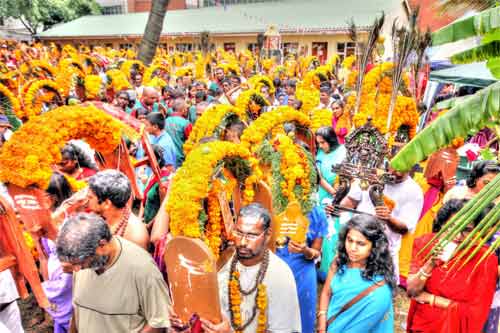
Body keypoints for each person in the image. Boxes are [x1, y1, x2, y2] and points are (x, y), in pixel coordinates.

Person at [171, 203, 301, 333]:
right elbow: (204, 303)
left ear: (267, 235)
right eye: (239, 233)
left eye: (251, 235)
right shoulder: (224, 259)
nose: (243, 242)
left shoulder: (280, 275)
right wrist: (187, 321)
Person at [56, 213, 171, 332]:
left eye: (80, 262)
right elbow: (78, 309)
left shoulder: (143, 268)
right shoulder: (81, 261)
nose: (76, 269)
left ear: (102, 245)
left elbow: (159, 322)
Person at [406, 199, 498, 333]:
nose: (458, 236)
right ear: (442, 223)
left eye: (467, 230)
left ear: (476, 230)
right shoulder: (425, 244)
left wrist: (432, 299)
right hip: (422, 325)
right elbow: (412, 291)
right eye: (453, 227)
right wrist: (430, 263)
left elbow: (477, 312)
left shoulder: (484, 259)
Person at [337, 166, 424, 281]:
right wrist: (335, 205)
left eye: (401, 169)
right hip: (355, 245)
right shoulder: (370, 176)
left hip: (382, 253)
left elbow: (404, 229)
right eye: (393, 168)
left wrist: (388, 219)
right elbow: (349, 203)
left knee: (375, 291)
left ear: (410, 167)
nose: (396, 172)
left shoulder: (414, 191)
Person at [317, 215, 395, 333]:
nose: (352, 248)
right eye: (349, 240)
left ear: (375, 246)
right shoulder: (339, 261)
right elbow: (326, 292)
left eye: (361, 243)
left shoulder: (379, 289)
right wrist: (322, 323)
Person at [276, 204, 328, 333]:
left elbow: (316, 252)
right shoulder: (272, 204)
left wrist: (306, 251)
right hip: (273, 270)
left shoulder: (317, 212)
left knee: (302, 319)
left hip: (302, 274)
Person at [42, 173, 74, 333]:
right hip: (56, 284)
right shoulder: (44, 221)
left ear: (52, 198)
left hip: (68, 284)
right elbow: (44, 257)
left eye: (39, 195)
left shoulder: (71, 223)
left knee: (73, 322)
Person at [141, 145, 171, 226]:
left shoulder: (164, 181)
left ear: (157, 160)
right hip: (145, 222)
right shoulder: (152, 174)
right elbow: (144, 199)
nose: (145, 164)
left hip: (154, 226)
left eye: (148, 161)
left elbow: (163, 211)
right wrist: (140, 218)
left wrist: (148, 226)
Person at [164, 100, 193, 167]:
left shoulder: (165, 121)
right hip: (180, 157)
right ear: (183, 110)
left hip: (167, 156)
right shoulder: (186, 123)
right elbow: (191, 140)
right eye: (186, 109)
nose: (187, 110)